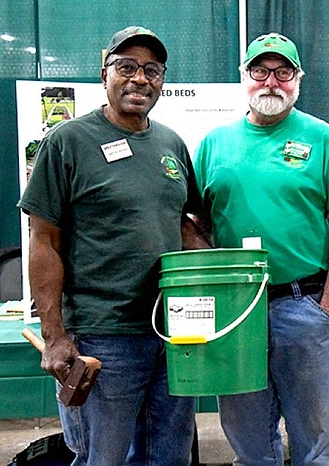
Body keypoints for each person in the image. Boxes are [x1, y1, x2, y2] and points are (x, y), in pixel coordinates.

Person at [18, 26, 207, 466]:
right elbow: (43, 240)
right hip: (104, 337)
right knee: (104, 458)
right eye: (127, 67)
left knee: (170, 455)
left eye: (152, 70)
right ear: (104, 73)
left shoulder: (171, 144)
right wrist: (55, 335)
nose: (140, 79)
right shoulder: (68, 142)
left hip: (173, 331)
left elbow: (183, 225)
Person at [192, 32, 329, 466]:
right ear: (244, 78)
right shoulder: (214, 144)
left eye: (282, 72)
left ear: (298, 80)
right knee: (247, 439)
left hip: (303, 306)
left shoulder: (326, 140)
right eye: (259, 71)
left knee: (314, 443)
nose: (270, 81)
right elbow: (193, 222)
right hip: (235, 313)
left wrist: (328, 306)